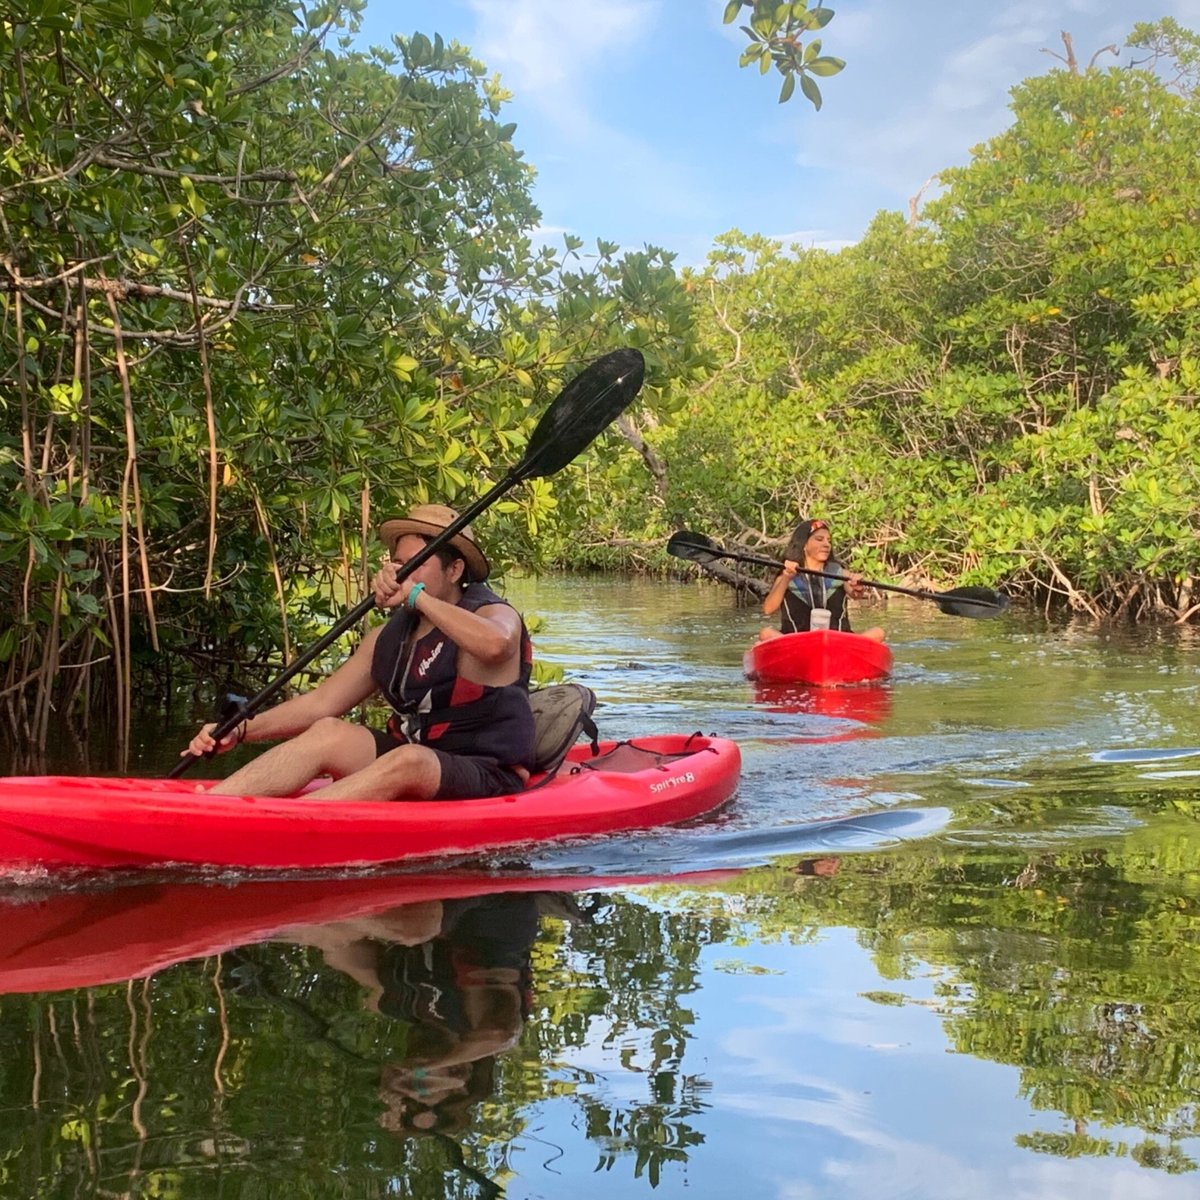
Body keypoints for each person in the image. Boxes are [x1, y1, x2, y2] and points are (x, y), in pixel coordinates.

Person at [182, 504, 535, 800]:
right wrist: (239, 730)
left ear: (455, 570)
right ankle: (214, 806)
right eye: (397, 562)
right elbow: (321, 703)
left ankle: (278, 825)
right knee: (329, 731)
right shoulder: (390, 636)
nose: (400, 572)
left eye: (416, 562)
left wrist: (417, 596)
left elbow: (496, 645)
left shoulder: (492, 614)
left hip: (488, 774)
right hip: (418, 760)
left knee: (412, 759)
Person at [759, 517, 885, 643]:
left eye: (829, 541)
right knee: (766, 633)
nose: (826, 544)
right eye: (819, 539)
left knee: (878, 633)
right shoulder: (785, 575)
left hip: (838, 642)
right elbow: (768, 609)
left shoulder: (840, 573)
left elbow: (856, 594)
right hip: (797, 643)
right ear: (804, 544)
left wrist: (858, 587)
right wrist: (787, 577)